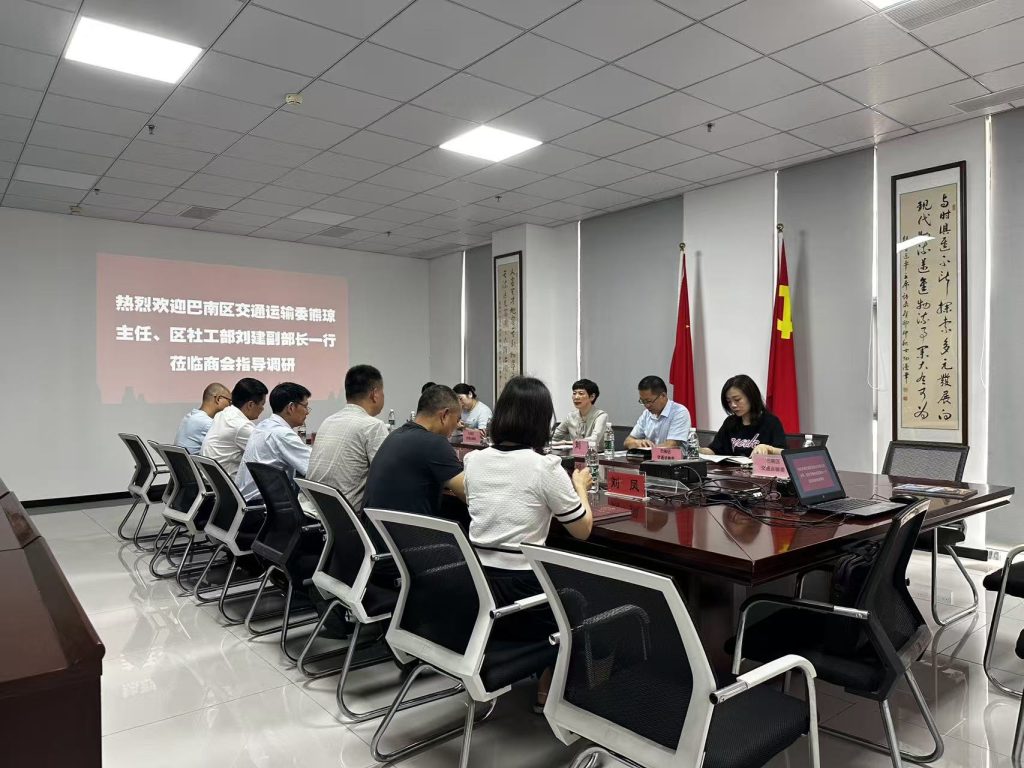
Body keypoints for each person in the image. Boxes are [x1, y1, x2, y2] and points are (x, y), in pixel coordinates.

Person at [463, 375, 593, 710]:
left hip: (479, 586)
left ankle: (542, 681)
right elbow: (582, 530)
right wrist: (580, 486)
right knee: (578, 596)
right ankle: (553, 688)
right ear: (541, 421)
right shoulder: (544, 467)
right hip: (525, 591)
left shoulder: (473, 461)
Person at [364, 384, 466, 520]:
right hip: (405, 531)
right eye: (457, 419)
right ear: (445, 415)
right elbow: (470, 494)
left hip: (376, 528)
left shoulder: (395, 435)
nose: (456, 427)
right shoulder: (434, 443)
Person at [307, 364, 388, 511]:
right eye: (383, 392)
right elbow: (387, 478)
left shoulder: (328, 421)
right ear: (375, 394)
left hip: (313, 510)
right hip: (344, 517)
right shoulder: (373, 426)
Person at [235, 382, 312, 502]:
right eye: (305, 406)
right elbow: (315, 468)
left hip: (248, 503)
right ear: (291, 407)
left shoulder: (263, 426)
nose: (307, 412)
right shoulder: (282, 434)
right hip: (263, 507)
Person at [700, 374, 786, 457]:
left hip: (759, 467)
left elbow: (784, 453)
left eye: (737, 399)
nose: (733, 405)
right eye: (729, 401)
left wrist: (768, 449)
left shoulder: (771, 422)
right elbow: (714, 450)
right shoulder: (730, 422)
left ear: (751, 397)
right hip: (731, 467)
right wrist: (699, 450)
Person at [200, 378, 268, 477]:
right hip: (227, 483)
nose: (262, 409)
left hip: (211, 480)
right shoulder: (241, 426)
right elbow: (267, 453)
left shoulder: (223, 414)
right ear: (250, 405)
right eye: (262, 404)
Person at [624, 375, 691, 449]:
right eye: (643, 401)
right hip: (649, 455)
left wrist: (648, 449)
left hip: (673, 456)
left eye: (649, 401)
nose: (646, 405)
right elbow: (627, 442)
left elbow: (671, 446)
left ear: (663, 395)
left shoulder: (679, 412)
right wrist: (637, 443)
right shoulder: (646, 414)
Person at [174, 382, 230, 454]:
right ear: (218, 399)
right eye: (229, 401)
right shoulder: (206, 423)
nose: (230, 405)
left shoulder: (189, 416)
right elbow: (230, 442)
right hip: (193, 461)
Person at [552, 378, 609, 444]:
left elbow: (594, 440)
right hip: (573, 451)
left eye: (581, 393)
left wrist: (567, 442)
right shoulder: (571, 416)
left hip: (595, 451)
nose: (576, 397)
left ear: (592, 397)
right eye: (574, 393)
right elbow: (553, 437)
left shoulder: (601, 416)